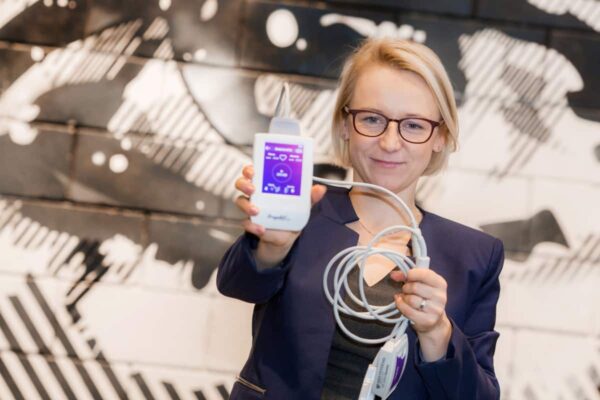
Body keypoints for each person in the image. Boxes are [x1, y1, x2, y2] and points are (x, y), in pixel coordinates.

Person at [217, 38, 504, 399]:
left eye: (414, 125)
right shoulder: (303, 211)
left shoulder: (474, 256)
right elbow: (238, 285)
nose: (390, 142)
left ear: (440, 136)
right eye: (372, 119)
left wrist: (438, 333)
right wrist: (271, 248)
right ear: (344, 124)